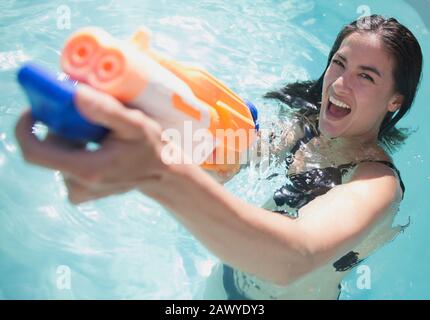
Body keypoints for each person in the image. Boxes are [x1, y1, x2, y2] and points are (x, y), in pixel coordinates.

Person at [15, 15, 422, 299]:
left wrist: (158, 170)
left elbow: (292, 258)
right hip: (225, 283)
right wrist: (143, 112)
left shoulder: (377, 183)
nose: (340, 83)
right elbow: (226, 160)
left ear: (394, 102)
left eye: (365, 77)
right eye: (339, 63)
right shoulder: (306, 127)